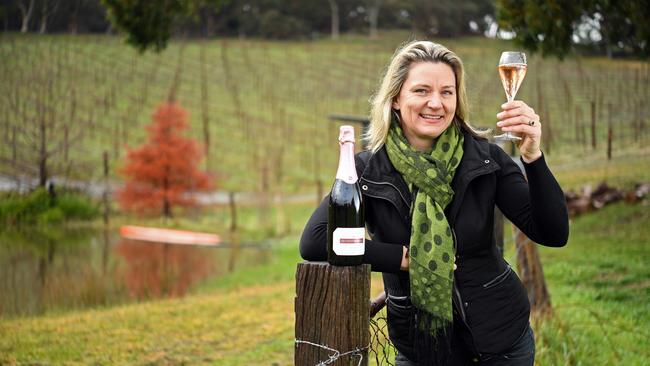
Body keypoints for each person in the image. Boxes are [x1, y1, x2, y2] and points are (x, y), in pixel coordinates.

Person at [299, 40, 569, 365]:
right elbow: (315, 240)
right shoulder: (367, 170)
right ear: (396, 99)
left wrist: (533, 156)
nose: (436, 103)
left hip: (503, 343)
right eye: (422, 90)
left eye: (447, 92)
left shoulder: (484, 159)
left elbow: (553, 232)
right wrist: (398, 258)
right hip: (421, 350)